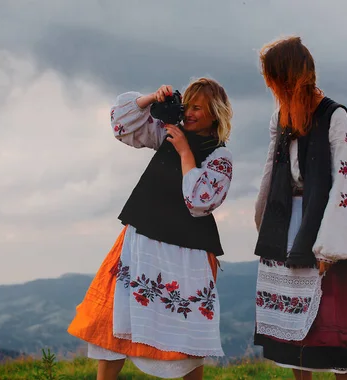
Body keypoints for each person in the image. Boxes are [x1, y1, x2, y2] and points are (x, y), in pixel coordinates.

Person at [67, 77, 234, 380]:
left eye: (198, 108)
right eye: (188, 107)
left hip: (187, 251)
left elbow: (199, 201)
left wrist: (185, 153)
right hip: (142, 239)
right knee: (115, 318)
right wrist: (150, 99)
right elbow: (122, 127)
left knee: (186, 334)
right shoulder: (169, 133)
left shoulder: (220, 156)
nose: (190, 113)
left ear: (214, 112)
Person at [252, 36, 347, 380]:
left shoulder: (334, 115)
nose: (272, 87)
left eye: (274, 78)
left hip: (328, 221)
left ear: (288, 76)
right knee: (295, 325)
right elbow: (272, 168)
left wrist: (331, 246)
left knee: (337, 319)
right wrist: (264, 221)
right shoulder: (280, 117)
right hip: (289, 223)